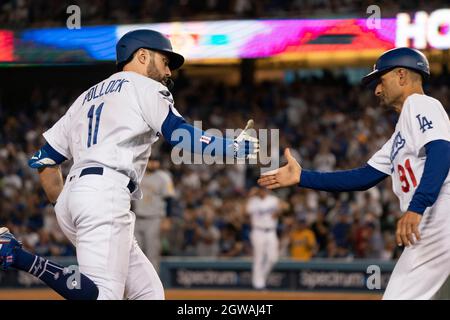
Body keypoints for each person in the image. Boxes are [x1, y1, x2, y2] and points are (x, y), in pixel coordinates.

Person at [0, 29, 258, 300]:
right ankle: (18, 256)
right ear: (143, 55)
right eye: (165, 61)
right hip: (104, 193)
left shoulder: (86, 97)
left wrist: (69, 206)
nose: (169, 72)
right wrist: (232, 147)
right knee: (102, 296)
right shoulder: (144, 86)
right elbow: (179, 134)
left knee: (149, 293)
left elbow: (45, 160)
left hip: (75, 197)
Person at [258, 47, 450, 300]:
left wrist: (416, 207)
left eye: (381, 80)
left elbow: (442, 150)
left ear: (402, 75)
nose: (377, 90)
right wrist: (302, 177)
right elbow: (363, 178)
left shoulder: (420, 103)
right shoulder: (398, 136)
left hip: (439, 215)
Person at [132, 158, 174, 273]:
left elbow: (169, 199)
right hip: (137, 217)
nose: (154, 163)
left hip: (154, 218)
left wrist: (167, 219)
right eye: (151, 161)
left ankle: (154, 285)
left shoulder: (164, 177)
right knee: (135, 253)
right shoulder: (137, 174)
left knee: (152, 253)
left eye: (156, 161)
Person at [246, 187, 282, 290]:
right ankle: (258, 284)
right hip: (258, 231)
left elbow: (284, 208)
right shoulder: (253, 201)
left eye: (264, 189)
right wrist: (250, 196)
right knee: (259, 258)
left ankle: (261, 278)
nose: (263, 191)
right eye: (261, 190)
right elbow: (245, 211)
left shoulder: (273, 200)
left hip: (271, 231)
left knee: (273, 259)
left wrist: (279, 211)